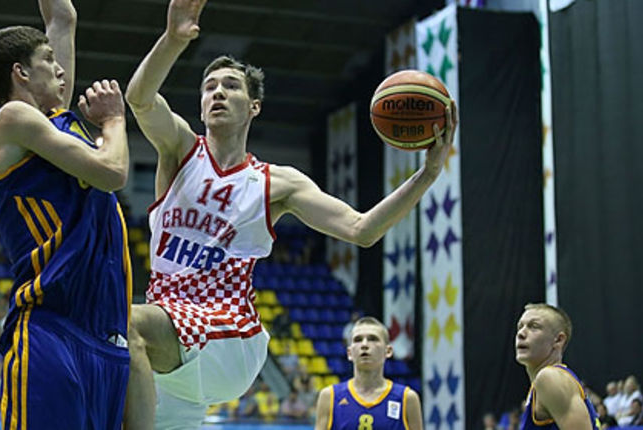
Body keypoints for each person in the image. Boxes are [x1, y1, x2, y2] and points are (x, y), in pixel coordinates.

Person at [122, 0, 456, 428]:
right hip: (173, 335)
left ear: (254, 106)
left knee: (126, 322)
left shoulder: (276, 182)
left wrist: (427, 175)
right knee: (104, 352)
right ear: (201, 105)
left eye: (231, 86)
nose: (218, 93)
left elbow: (362, 229)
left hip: (229, 334)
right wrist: (172, 40)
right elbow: (140, 99)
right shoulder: (179, 150)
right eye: (209, 87)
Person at [0, 0, 131, 427]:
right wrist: (113, 121)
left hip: (104, 338)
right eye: (48, 60)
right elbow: (112, 172)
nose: (61, 69)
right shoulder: (13, 119)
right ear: (21, 73)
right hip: (51, 327)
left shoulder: (58, 124)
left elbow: (63, 18)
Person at [314, 317, 423, 429]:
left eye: (373, 339)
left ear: (388, 351)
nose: (364, 345)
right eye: (358, 340)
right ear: (349, 353)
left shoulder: (407, 398)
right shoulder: (330, 397)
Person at [514, 303, 600, 429]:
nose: (521, 333)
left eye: (534, 327)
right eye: (520, 327)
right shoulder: (547, 383)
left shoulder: (551, 377)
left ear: (559, 340)